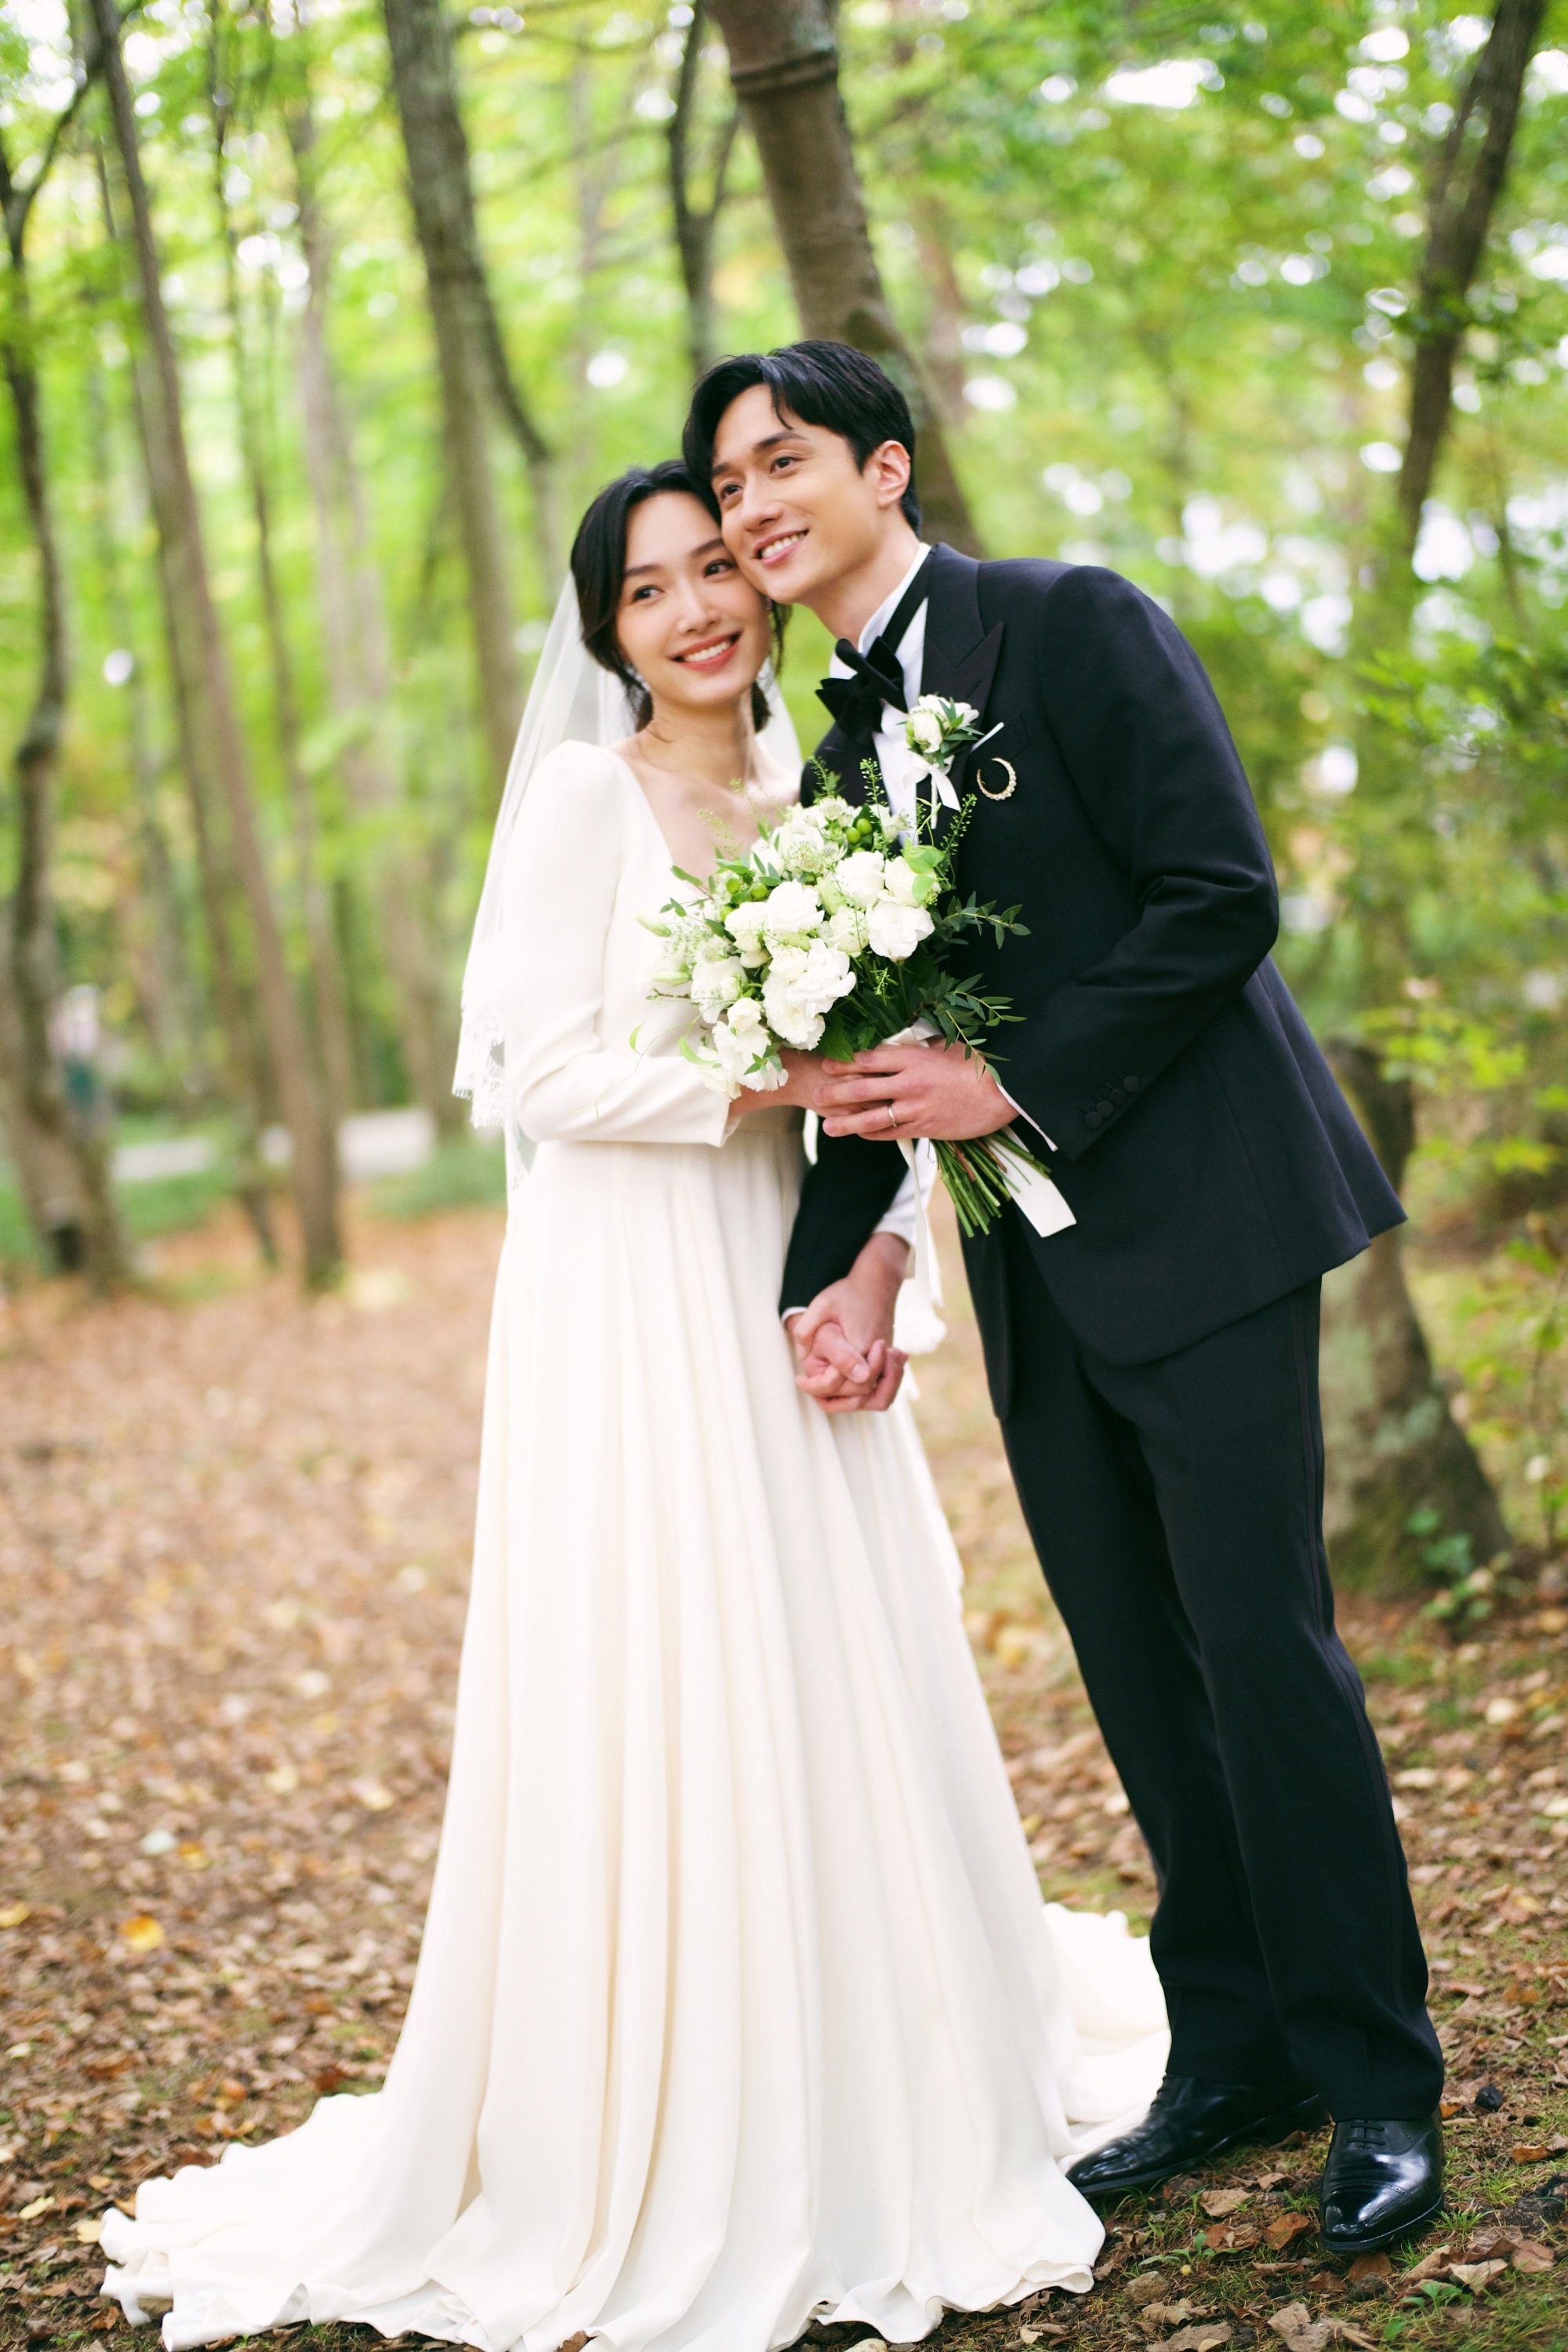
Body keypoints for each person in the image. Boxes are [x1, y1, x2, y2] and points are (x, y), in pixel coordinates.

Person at [101, 459, 1167, 2352]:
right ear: (606, 628)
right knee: (673, 1653)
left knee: (825, 1642)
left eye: (713, 571)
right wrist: (755, 1081)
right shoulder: (588, 798)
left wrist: (879, 1266)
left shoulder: (821, 800)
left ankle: (881, 2062)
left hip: (780, 1274)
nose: (695, 611)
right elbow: (533, 1073)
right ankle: (668, 2104)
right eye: (648, 589)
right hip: (629, 1288)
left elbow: (892, 1082)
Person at [682, 342, 1446, 2258]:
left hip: (1205, 1223)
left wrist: (1010, 1081)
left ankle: (1377, 2080)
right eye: (728, 481)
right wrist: (835, 1270)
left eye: (781, 463)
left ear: (884, 465)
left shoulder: (1073, 622)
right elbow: (870, 1054)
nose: (752, 505)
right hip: (1028, 1272)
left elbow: (1219, 895)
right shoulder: (833, 769)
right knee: (1137, 1673)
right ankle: (1237, 2054)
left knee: (1261, 1651)